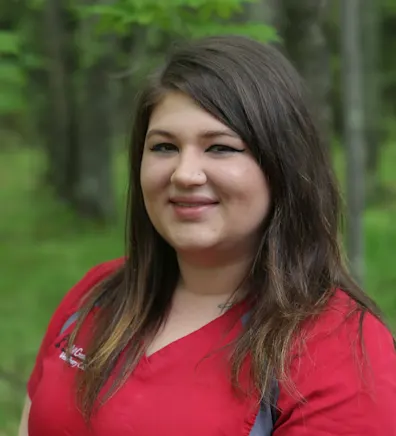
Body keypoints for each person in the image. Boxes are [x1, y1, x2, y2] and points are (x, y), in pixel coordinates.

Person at [19, 35, 396, 436]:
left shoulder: (337, 347)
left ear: (282, 164)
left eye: (219, 148)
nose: (184, 174)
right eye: (164, 147)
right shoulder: (95, 296)